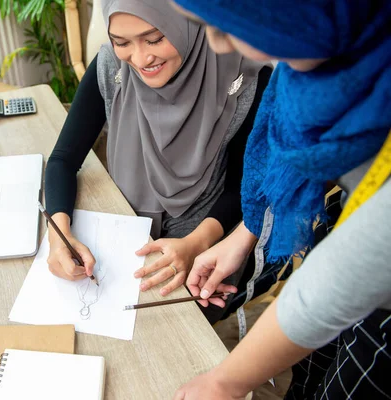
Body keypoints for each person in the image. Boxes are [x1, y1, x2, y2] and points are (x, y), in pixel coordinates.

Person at [167, 1, 391, 399]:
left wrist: (226, 381)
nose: (218, 44)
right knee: (310, 370)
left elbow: (340, 282)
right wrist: (244, 236)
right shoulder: (326, 49)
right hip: (346, 252)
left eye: (232, 25)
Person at [44, 0, 271, 323]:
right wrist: (58, 236)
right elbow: (63, 160)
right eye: (122, 42)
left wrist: (193, 244)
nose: (140, 58)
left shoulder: (244, 76)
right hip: (124, 238)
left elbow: (242, 189)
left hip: (208, 247)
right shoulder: (112, 66)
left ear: (186, 22)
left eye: (154, 39)